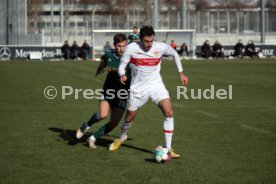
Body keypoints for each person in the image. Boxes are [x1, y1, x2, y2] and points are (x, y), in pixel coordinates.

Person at [108, 26, 189, 159]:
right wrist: (122, 75)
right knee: (129, 118)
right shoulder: (131, 48)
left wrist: (181, 73)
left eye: (151, 41)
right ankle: (121, 138)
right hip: (138, 88)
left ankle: (168, 148)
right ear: (140, 39)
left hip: (156, 85)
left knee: (169, 112)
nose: (149, 44)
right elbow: (122, 66)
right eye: (146, 41)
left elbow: (174, 53)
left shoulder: (160, 47)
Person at [76, 33, 130, 148]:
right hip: (109, 91)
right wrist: (99, 69)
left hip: (122, 94)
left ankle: (93, 138)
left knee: (114, 123)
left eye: (124, 46)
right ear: (114, 45)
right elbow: (104, 62)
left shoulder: (131, 58)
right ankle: (86, 125)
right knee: (103, 114)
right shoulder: (109, 53)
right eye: (119, 46)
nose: (121, 49)